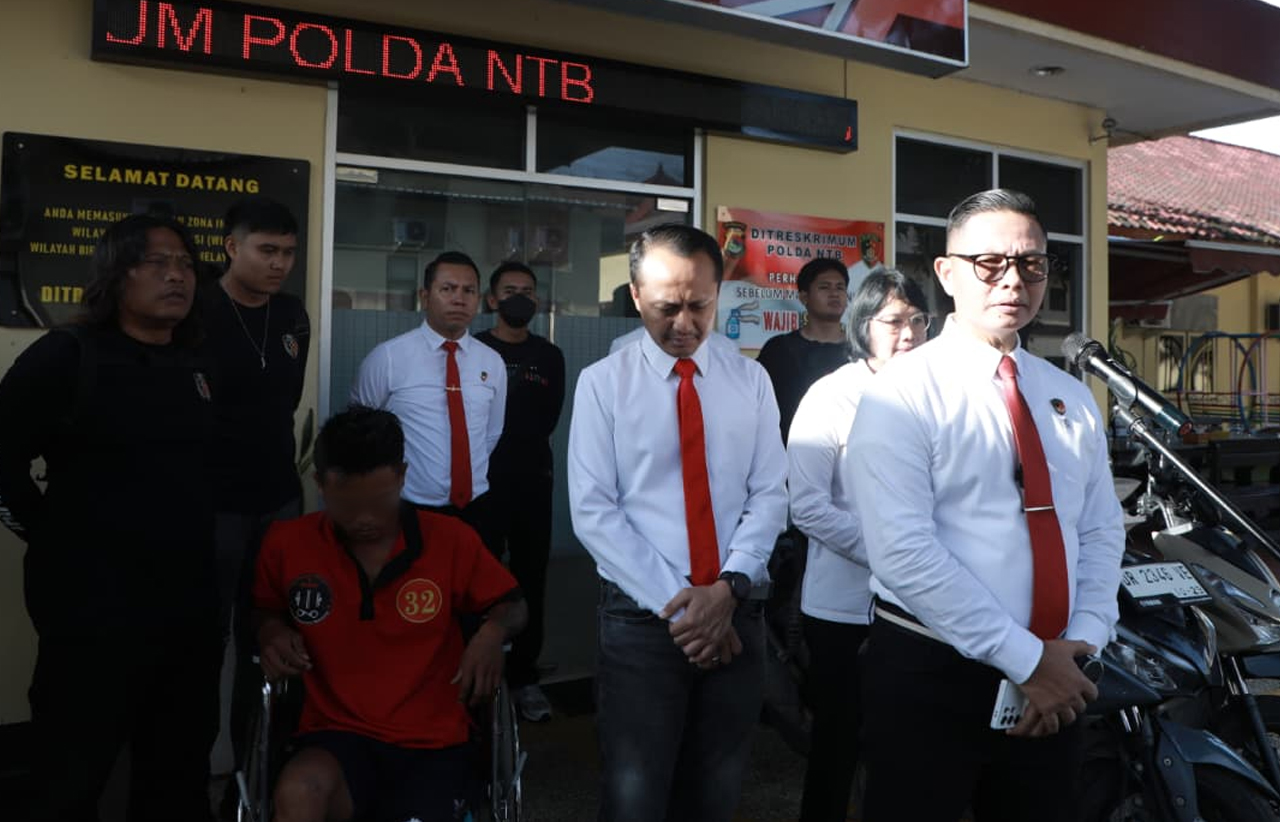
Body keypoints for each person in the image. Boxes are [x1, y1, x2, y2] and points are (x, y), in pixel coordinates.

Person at [846, 189, 1125, 822]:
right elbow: (902, 552)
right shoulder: (902, 392)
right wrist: (1026, 660)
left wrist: (1081, 643)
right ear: (946, 273)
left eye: (1032, 264)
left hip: (1059, 675)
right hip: (934, 671)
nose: (1014, 280)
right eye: (990, 263)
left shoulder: (1069, 395)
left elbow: (1100, 529)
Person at [0, 214, 220, 821]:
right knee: (71, 774)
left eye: (186, 264)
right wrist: (48, 534)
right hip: (93, 616)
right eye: (158, 263)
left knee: (177, 773)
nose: (177, 276)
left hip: (185, 613)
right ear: (116, 274)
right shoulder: (68, 355)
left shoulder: (197, 364)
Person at [568, 223, 788, 822]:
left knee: (716, 790)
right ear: (636, 296)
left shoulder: (750, 381)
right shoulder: (603, 385)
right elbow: (594, 510)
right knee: (635, 794)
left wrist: (728, 589)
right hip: (643, 620)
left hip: (736, 610)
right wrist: (688, 608)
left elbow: (770, 493)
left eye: (700, 305)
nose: (685, 324)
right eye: (667, 308)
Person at [254, 406, 527, 822]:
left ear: (401, 476)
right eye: (347, 505)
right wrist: (270, 630)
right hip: (334, 736)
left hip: (433, 743)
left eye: (379, 502)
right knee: (297, 793)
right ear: (320, 485)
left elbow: (514, 604)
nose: (365, 519)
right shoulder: (287, 544)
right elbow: (264, 609)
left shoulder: (450, 539)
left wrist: (492, 632)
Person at [787, 270, 930, 822]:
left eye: (919, 320)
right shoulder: (831, 396)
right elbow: (807, 507)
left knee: (908, 749)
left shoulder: (938, 396)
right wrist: (894, 552)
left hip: (924, 607)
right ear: (862, 325)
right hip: (845, 610)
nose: (909, 333)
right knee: (838, 745)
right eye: (894, 321)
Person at [202, 196, 310, 783]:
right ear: (231, 247)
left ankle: (253, 775)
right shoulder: (197, 309)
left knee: (267, 638)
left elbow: (284, 402)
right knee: (202, 639)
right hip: (213, 503)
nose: (279, 264)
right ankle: (191, 773)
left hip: (278, 500)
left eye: (288, 252)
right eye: (267, 250)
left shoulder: (292, 314)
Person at [351, 251, 507, 551]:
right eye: (447, 289)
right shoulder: (388, 358)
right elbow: (361, 434)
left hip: (476, 508)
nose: (459, 299)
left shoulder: (492, 362)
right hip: (409, 508)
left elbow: (491, 433)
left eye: (469, 291)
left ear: (478, 299)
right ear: (425, 296)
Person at [475, 261, 566, 722]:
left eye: (528, 291)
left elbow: (550, 417)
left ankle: (524, 678)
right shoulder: (474, 349)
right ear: (492, 300)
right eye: (510, 290)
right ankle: (480, 674)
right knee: (481, 579)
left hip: (533, 480)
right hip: (482, 483)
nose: (520, 298)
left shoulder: (549, 356)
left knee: (531, 578)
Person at [754, 258, 851, 443]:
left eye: (840, 288)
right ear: (804, 297)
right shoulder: (778, 350)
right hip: (787, 452)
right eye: (824, 287)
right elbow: (758, 408)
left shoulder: (861, 351)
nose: (834, 294)